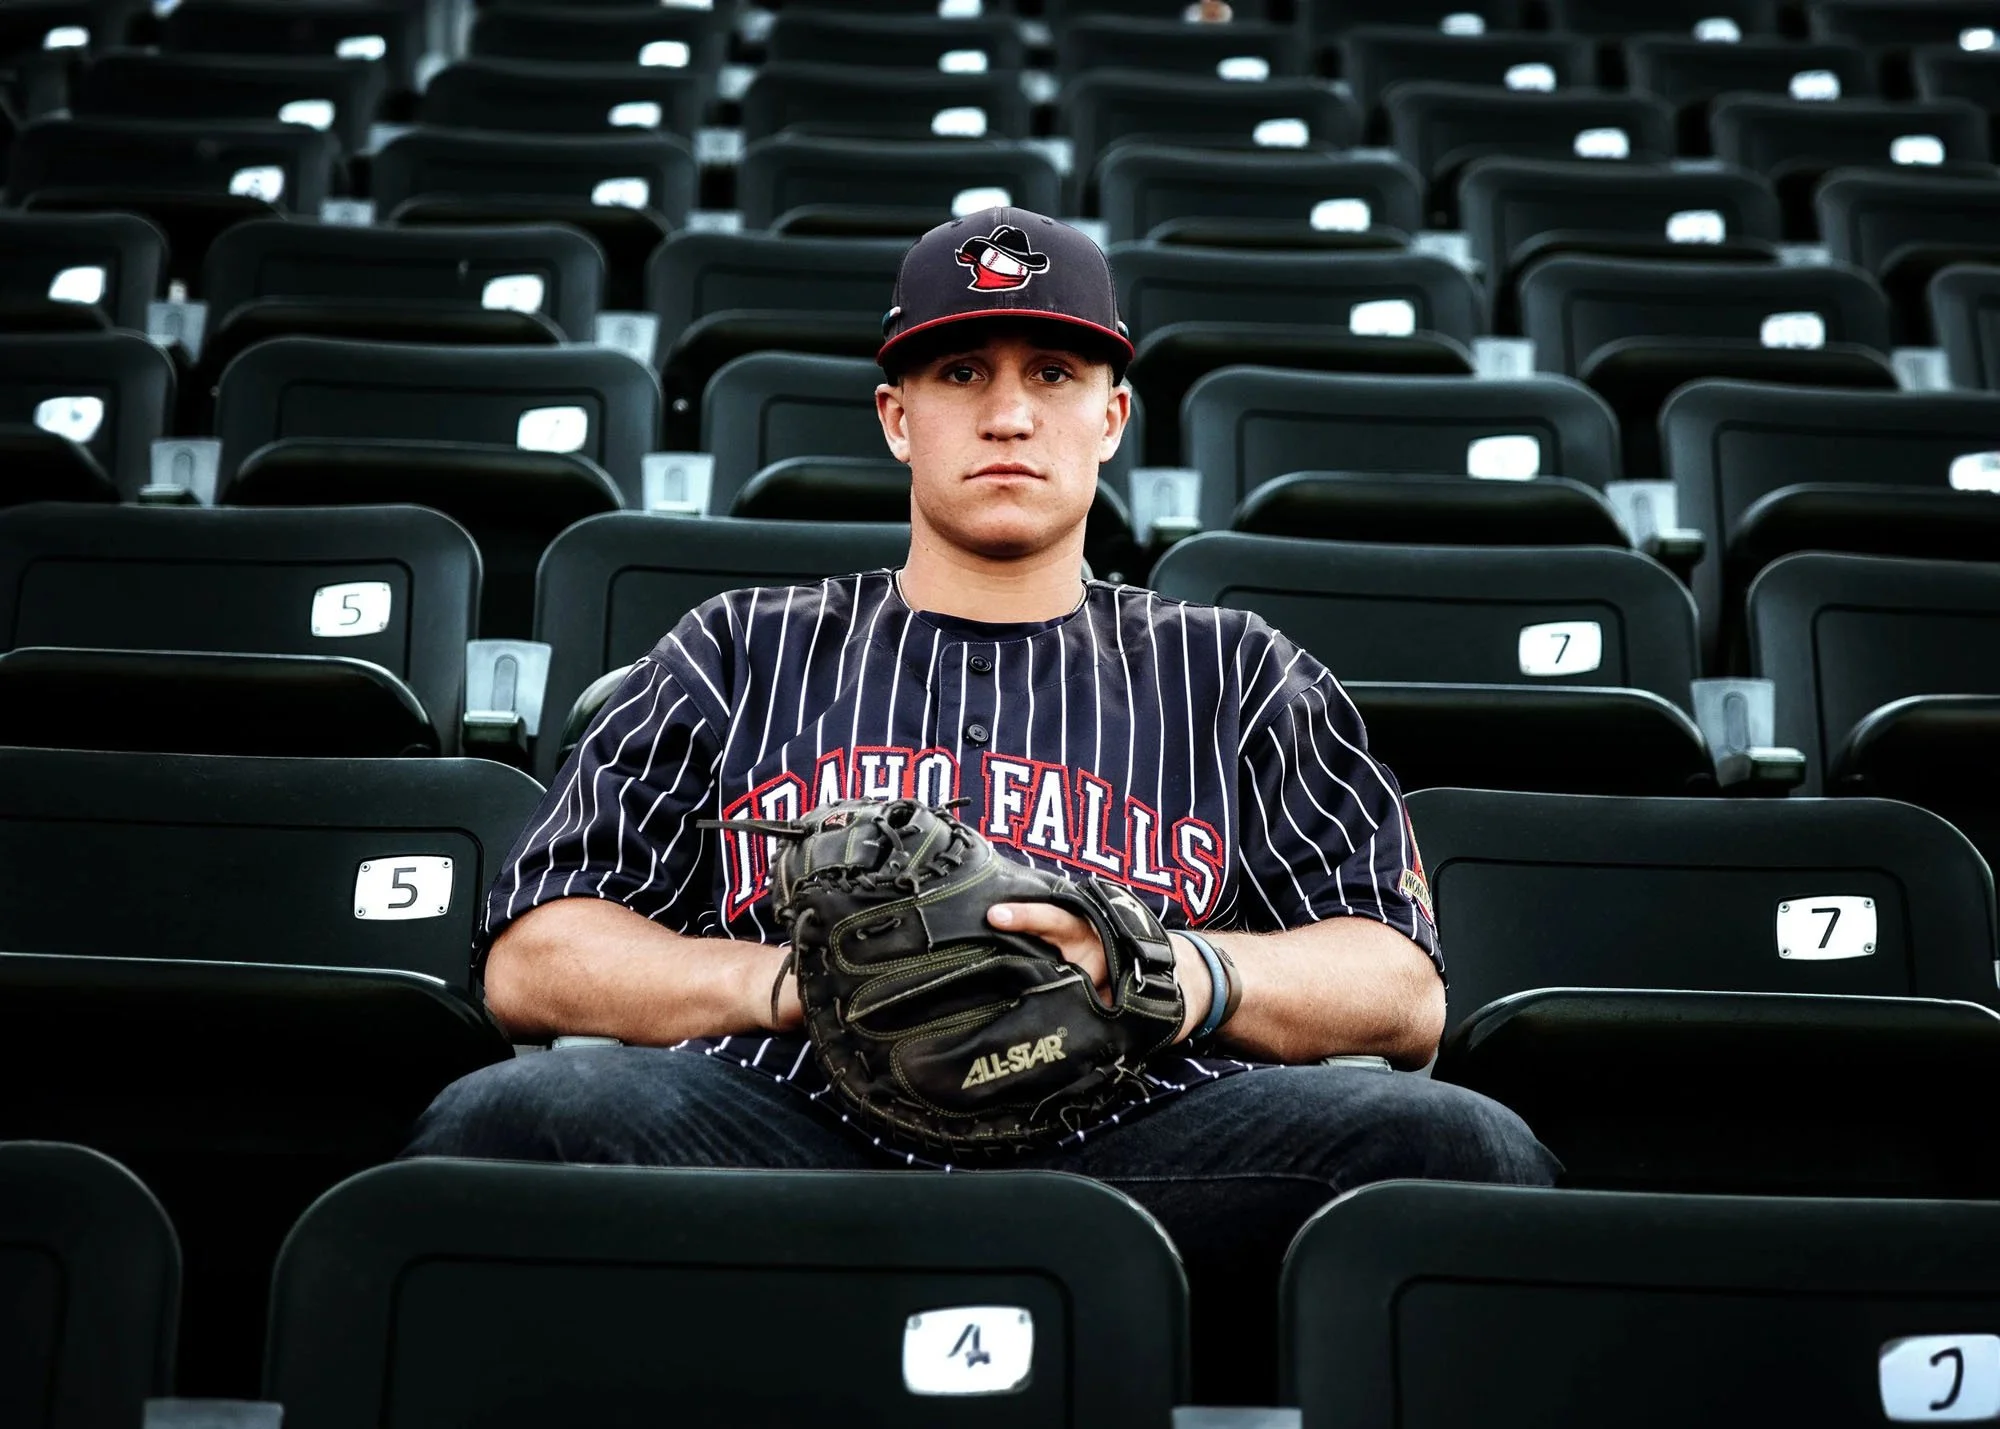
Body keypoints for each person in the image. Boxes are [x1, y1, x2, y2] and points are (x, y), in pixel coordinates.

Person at [406, 207, 1558, 1404]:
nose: (1007, 413)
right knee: (514, 1116)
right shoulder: (737, 647)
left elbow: (1400, 985)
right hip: (784, 1123)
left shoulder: (1237, 670)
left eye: (1051, 373)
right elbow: (537, 951)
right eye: (961, 371)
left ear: (1110, 417)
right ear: (897, 417)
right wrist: (789, 987)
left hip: (1139, 1147)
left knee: (1460, 1147)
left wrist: (1164, 971)